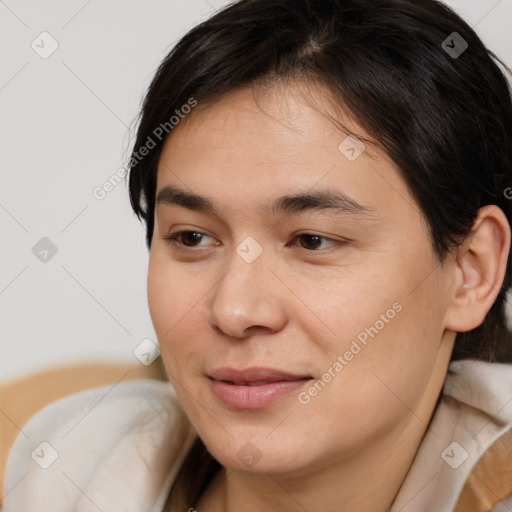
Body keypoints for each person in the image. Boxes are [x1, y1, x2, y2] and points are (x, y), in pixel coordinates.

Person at [3, 0, 512, 510]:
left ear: (471, 270)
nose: (234, 311)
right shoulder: (69, 469)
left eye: (312, 240)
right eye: (192, 238)